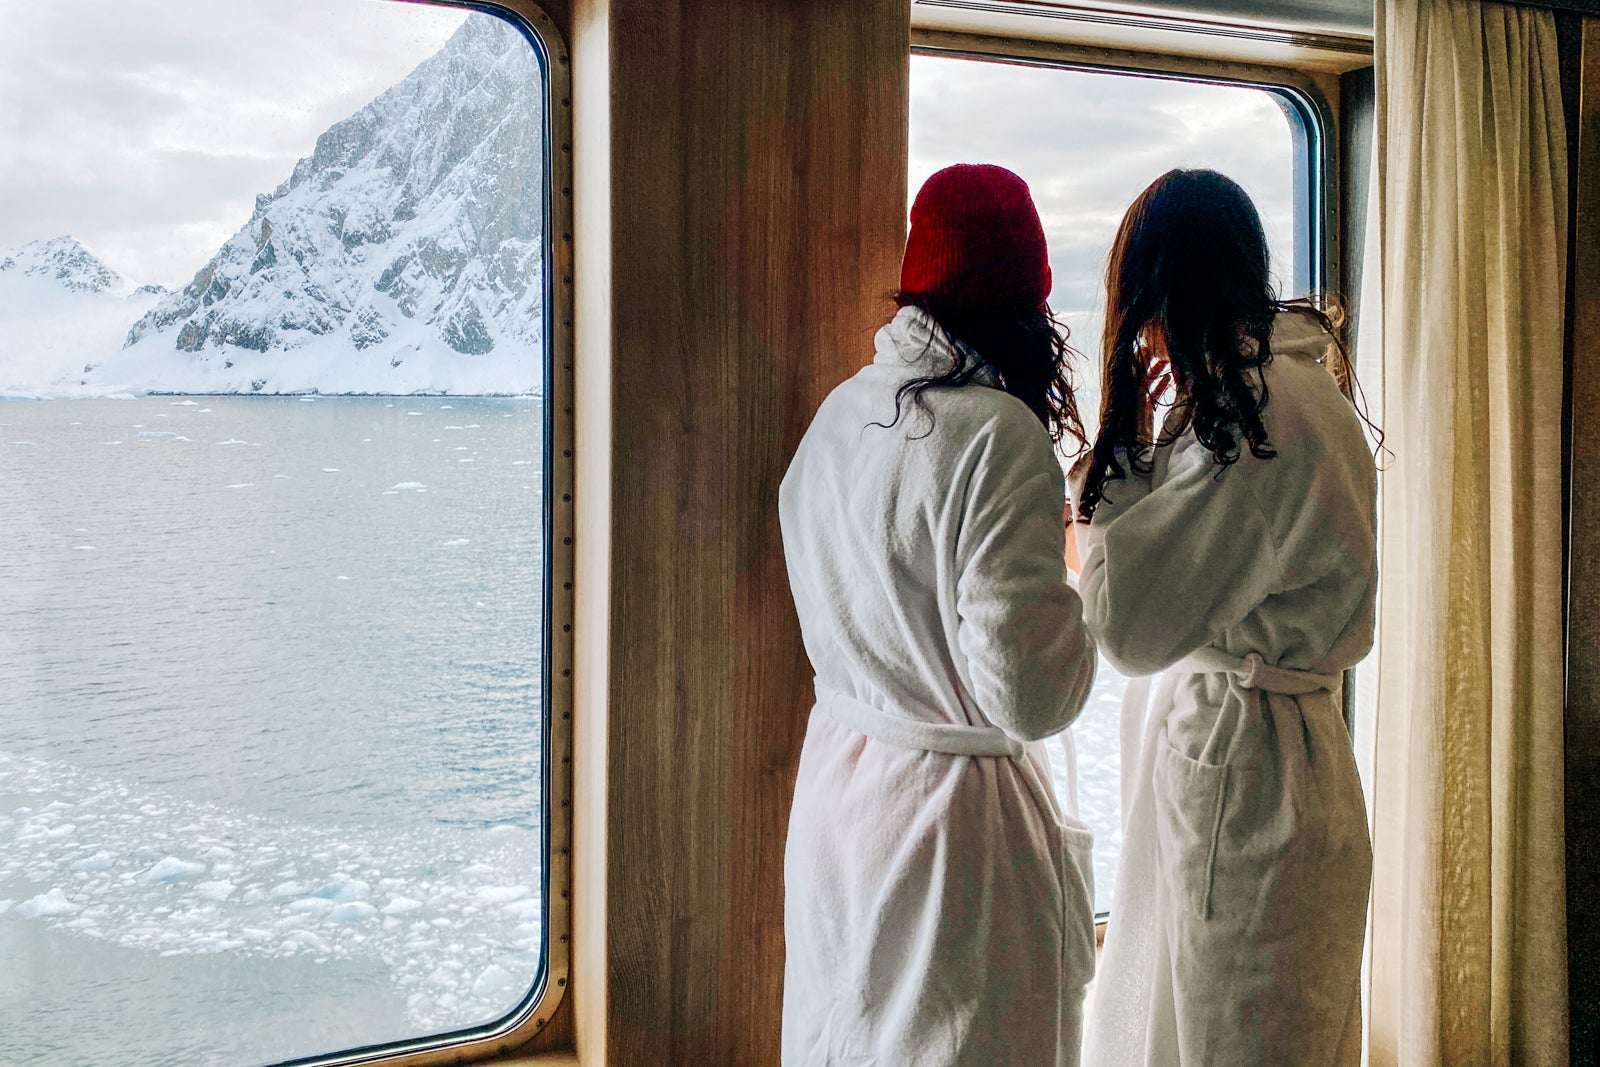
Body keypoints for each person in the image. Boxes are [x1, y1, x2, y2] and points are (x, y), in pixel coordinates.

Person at [779, 163, 1100, 1067]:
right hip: (954, 835)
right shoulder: (1000, 437)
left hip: (841, 794)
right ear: (1027, 305)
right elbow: (1031, 694)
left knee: (847, 1031)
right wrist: (1082, 591)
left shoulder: (840, 415)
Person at [1072, 168, 1377, 1067]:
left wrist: (1119, 444)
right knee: (1281, 1031)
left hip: (1246, 782)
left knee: (1220, 1037)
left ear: (1164, 291)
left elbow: (1123, 622)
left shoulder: (1251, 421)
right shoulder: (1305, 393)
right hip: (1296, 766)